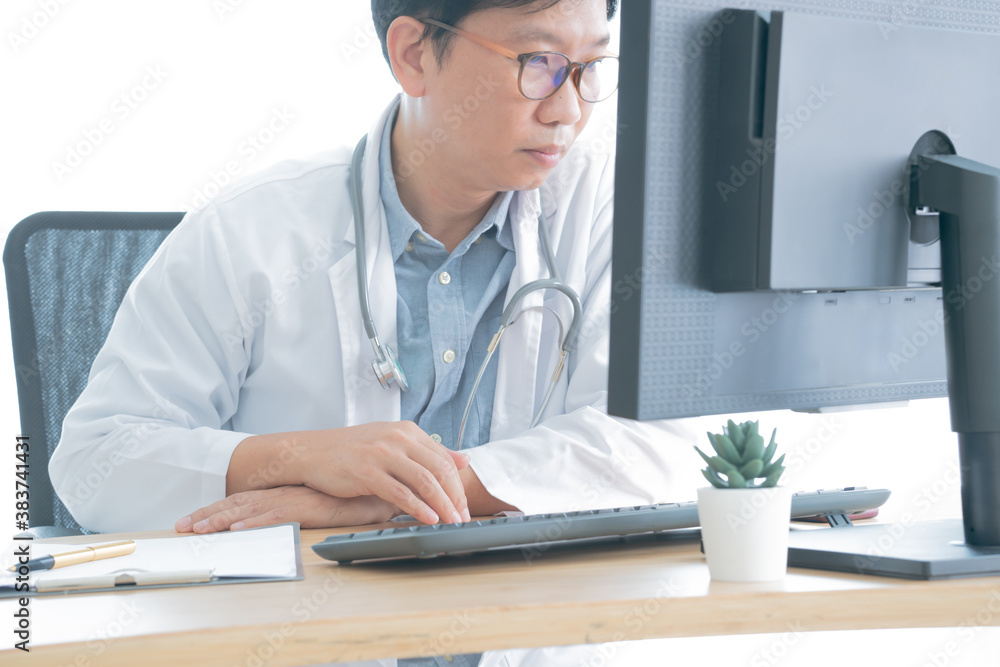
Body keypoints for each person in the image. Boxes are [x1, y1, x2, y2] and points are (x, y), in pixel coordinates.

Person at [50, 1, 689, 663]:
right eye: (539, 64)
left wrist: (384, 502)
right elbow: (97, 460)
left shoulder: (618, 213)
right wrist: (300, 458)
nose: (569, 110)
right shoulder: (253, 231)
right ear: (413, 54)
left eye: (589, 68)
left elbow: (663, 444)